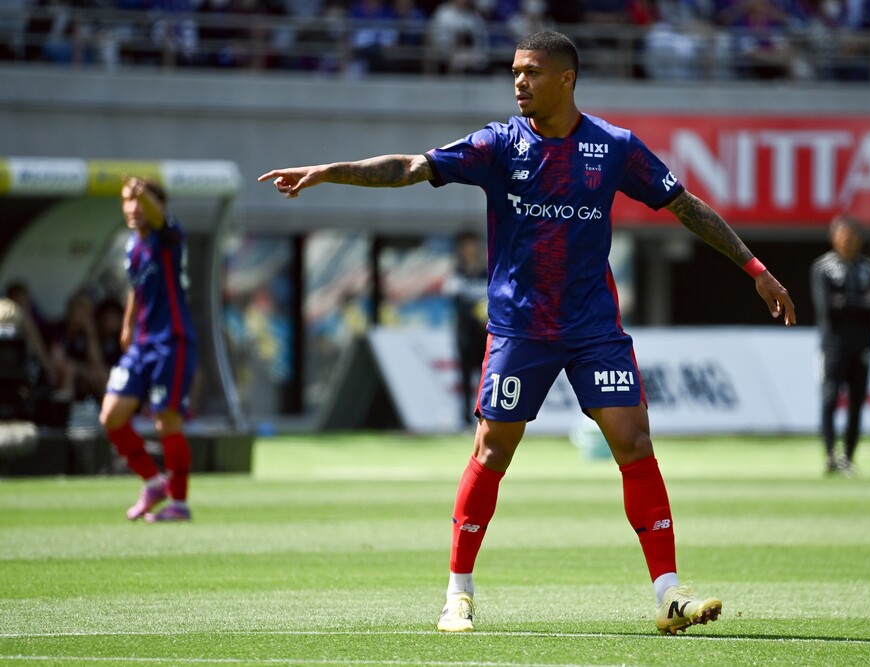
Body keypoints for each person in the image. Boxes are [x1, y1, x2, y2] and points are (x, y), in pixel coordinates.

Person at [258, 30, 796, 635]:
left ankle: (668, 595)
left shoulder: (614, 147)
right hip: (521, 328)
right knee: (492, 450)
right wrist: (330, 172)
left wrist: (756, 270)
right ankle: (457, 594)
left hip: (593, 328)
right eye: (515, 71)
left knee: (634, 441)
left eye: (532, 71)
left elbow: (684, 205)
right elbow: (411, 166)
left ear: (566, 78)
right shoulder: (497, 144)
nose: (519, 81)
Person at [98, 177, 199, 523]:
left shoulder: (168, 235)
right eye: (127, 200)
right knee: (111, 416)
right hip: (142, 344)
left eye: (140, 200)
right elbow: (135, 287)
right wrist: (128, 324)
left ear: (158, 206)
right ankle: (154, 484)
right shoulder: (132, 246)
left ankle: (179, 504)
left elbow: (159, 219)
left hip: (172, 341)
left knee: (166, 421)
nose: (133, 207)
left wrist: (144, 194)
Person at [810, 214, 870, 476]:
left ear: (860, 239)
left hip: (862, 345)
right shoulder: (823, 268)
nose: (848, 241)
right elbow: (827, 308)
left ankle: (848, 456)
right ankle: (830, 454)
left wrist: (845, 302)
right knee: (829, 398)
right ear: (834, 238)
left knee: (857, 401)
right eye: (844, 236)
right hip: (832, 345)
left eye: (853, 237)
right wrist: (861, 303)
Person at [443, 230, 489, 427]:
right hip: (465, 334)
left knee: (485, 375)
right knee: (465, 374)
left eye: (473, 245)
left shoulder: (486, 272)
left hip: (484, 333)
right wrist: (475, 311)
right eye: (466, 245)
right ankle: (464, 419)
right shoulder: (456, 273)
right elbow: (456, 300)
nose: (471, 250)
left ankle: (485, 416)